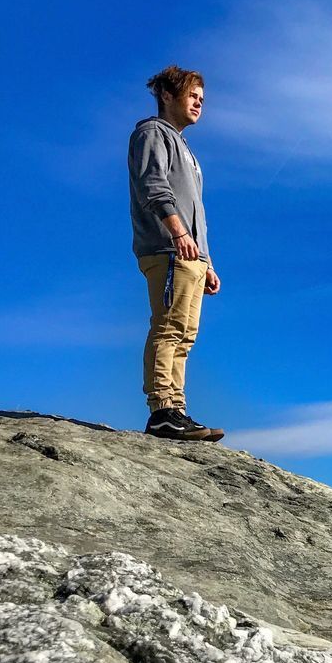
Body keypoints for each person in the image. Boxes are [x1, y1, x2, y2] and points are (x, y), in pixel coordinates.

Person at [128, 65, 224, 441]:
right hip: (168, 247)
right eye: (192, 96)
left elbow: (195, 208)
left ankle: (175, 409)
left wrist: (207, 261)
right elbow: (153, 186)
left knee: (185, 333)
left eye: (202, 99)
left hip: (189, 253)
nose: (198, 103)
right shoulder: (152, 133)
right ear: (167, 95)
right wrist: (178, 232)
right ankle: (162, 409)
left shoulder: (186, 149)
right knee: (169, 327)